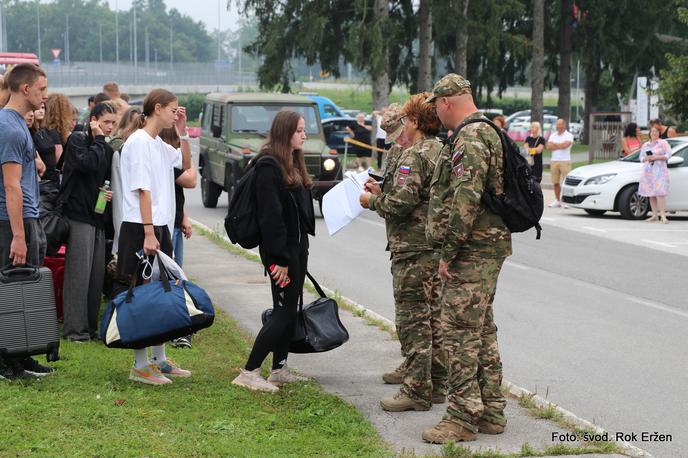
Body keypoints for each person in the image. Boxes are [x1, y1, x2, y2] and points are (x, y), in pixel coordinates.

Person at [424, 73, 512, 443]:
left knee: (458, 332)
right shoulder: (485, 130)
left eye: (437, 107)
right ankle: (491, 409)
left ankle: (461, 417)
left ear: (446, 102)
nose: (437, 114)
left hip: (471, 251)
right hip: (483, 248)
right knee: (481, 328)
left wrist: (449, 252)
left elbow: (466, 199)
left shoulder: (471, 136)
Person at [360, 93, 446, 411]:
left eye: (405, 122)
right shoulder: (441, 150)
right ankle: (437, 384)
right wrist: (385, 190)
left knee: (414, 322)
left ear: (413, 121)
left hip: (413, 249)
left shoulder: (415, 155)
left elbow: (402, 203)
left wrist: (374, 201)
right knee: (434, 319)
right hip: (434, 247)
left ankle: (417, 391)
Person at [231, 110, 315, 393]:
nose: (304, 135)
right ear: (285, 132)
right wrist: (279, 259)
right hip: (280, 251)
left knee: (290, 310)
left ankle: (278, 368)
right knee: (282, 311)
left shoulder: (291, 161)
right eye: (300, 130)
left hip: (295, 247)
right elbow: (270, 216)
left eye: (304, 130)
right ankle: (249, 371)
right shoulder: (269, 165)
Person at [117, 89, 192, 385]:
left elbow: (184, 164)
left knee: (163, 292)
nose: (176, 113)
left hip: (159, 225)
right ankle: (140, 364)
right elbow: (142, 190)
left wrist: (182, 133)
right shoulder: (137, 143)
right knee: (142, 294)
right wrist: (148, 232)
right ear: (157, 108)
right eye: (172, 110)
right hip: (141, 226)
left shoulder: (157, 142)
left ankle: (159, 359)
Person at [0, 63, 53, 380]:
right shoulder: (7, 126)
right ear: (25, 89)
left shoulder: (18, 124)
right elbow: (10, 186)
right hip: (10, 222)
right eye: (42, 89)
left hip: (27, 217)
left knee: (24, 292)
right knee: (9, 292)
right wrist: (18, 236)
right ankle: (6, 361)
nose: (45, 96)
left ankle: (22, 355)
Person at [60, 102, 117, 341]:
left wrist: (109, 194)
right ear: (94, 120)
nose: (110, 128)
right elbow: (87, 163)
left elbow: (105, 175)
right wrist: (99, 139)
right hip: (78, 215)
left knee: (95, 276)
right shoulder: (77, 140)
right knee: (78, 275)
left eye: (114, 123)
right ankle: (75, 330)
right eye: (106, 122)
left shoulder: (107, 148)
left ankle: (90, 327)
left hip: (97, 216)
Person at [159, 127, 197, 349]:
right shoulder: (167, 162)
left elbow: (179, 193)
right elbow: (191, 179)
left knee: (178, 276)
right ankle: (175, 327)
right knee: (173, 277)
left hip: (175, 220)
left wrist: (185, 217)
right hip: (167, 225)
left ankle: (180, 325)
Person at [639, 126, 672, 224]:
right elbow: (641, 157)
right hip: (648, 172)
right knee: (651, 193)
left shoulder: (663, 143)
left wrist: (656, 157)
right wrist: (647, 158)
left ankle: (663, 215)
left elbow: (668, 155)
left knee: (660, 193)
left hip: (660, 171)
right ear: (650, 133)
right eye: (652, 131)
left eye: (656, 131)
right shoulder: (646, 145)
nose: (654, 133)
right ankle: (654, 215)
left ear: (659, 133)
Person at [31, 102, 63, 186]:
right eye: (38, 108)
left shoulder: (47, 131)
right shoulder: (29, 132)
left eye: (43, 108)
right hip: (41, 180)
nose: (41, 111)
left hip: (54, 178)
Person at [546, 118, 574, 208]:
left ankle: (567, 201)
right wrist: (560, 145)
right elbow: (549, 146)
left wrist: (555, 145)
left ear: (564, 125)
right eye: (557, 124)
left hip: (565, 161)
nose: (558, 126)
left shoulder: (569, 135)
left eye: (559, 124)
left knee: (566, 182)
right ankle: (557, 200)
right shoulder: (553, 135)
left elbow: (566, 145)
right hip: (554, 161)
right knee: (555, 182)